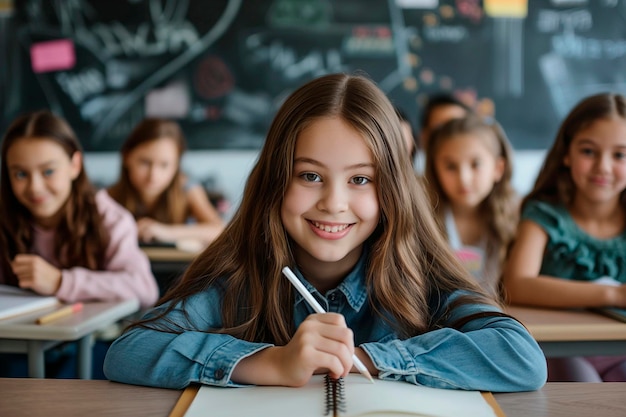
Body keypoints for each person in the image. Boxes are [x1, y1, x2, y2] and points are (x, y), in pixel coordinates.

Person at [103, 73, 546, 391]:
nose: (333, 203)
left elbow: (522, 358)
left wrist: (365, 359)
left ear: (392, 189)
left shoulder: (420, 274)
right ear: (275, 180)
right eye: (310, 176)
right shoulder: (239, 276)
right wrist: (270, 363)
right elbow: (129, 351)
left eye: (360, 179)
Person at [0, 110, 159, 377]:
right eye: (20, 174)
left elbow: (144, 288)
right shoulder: (6, 219)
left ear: (75, 165)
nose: (35, 187)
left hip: (91, 343)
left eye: (48, 171)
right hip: (19, 345)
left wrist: (61, 282)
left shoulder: (109, 218)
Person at [503, 92, 626, 382]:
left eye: (620, 155)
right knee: (586, 390)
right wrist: (613, 294)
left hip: (619, 349)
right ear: (567, 154)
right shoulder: (545, 214)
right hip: (555, 350)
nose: (603, 167)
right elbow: (517, 284)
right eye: (588, 151)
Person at [424, 115, 518, 299]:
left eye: (476, 164)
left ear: (498, 169)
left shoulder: (516, 219)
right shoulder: (423, 219)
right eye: (451, 166)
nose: (463, 178)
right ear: (435, 170)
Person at [107, 118, 225, 247]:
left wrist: (164, 231)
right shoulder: (108, 197)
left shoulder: (187, 188)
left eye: (164, 165)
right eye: (145, 162)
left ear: (176, 166)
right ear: (126, 157)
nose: (153, 175)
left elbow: (219, 230)